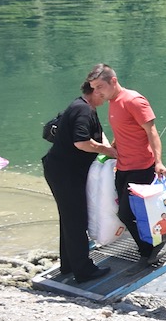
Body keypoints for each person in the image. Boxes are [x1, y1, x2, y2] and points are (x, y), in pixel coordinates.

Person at [87, 63, 166, 265]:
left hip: (142, 167)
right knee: (125, 212)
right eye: (93, 88)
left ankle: (151, 249)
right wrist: (110, 151)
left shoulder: (134, 100)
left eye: (99, 86)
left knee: (126, 212)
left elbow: (152, 132)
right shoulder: (113, 102)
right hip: (123, 167)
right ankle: (152, 243)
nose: (96, 92)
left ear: (113, 81)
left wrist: (158, 162)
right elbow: (123, 131)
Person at [42, 68, 118, 281]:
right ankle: (84, 270)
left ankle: (68, 264)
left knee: (69, 217)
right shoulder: (83, 110)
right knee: (76, 219)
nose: (104, 97)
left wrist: (111, 150)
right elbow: (82, 142)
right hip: (64, 172)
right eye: (102, 92)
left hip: (61, 169)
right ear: (94, 91)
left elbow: (96, 138)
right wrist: (108, 151)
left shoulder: (84, 107)